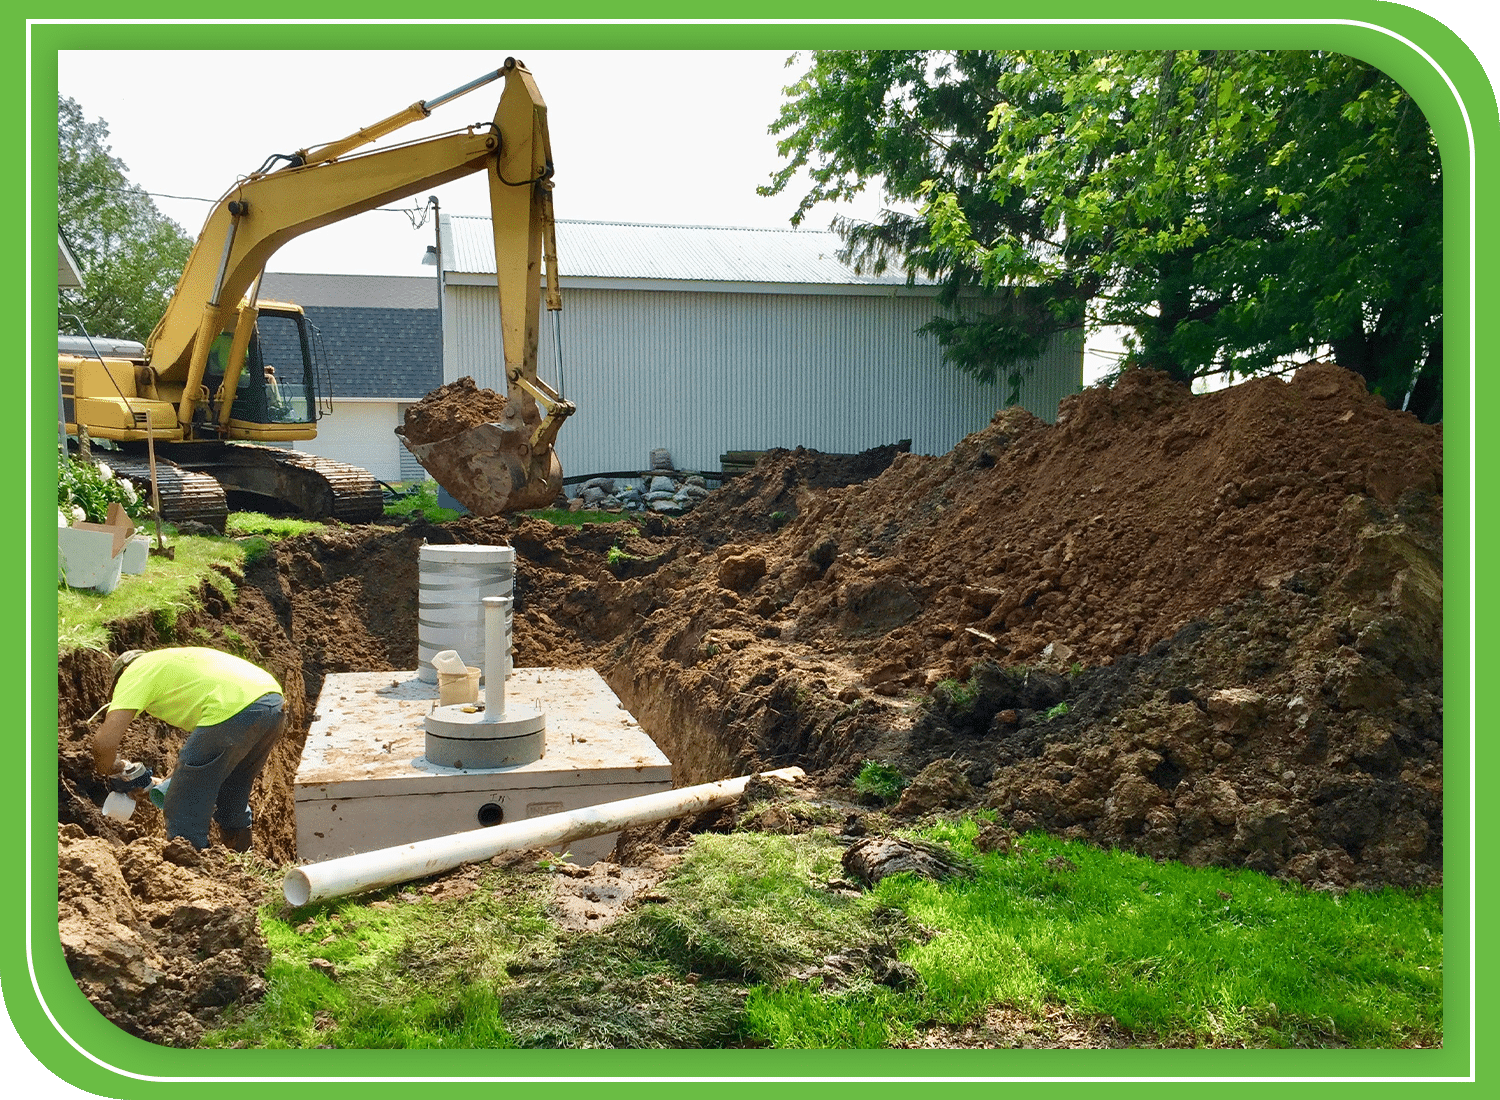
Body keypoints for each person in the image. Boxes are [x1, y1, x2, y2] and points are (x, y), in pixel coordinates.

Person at [92, 647, 286, 852]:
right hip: (272, 704)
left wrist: (111, 768)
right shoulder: (171, 664)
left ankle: (194, 873)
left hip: (233, 709)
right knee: (231, 795)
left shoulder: (135, 672)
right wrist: (174, 780)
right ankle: (243, 863)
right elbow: (206, 752)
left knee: (183, 807)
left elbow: (103, 743)